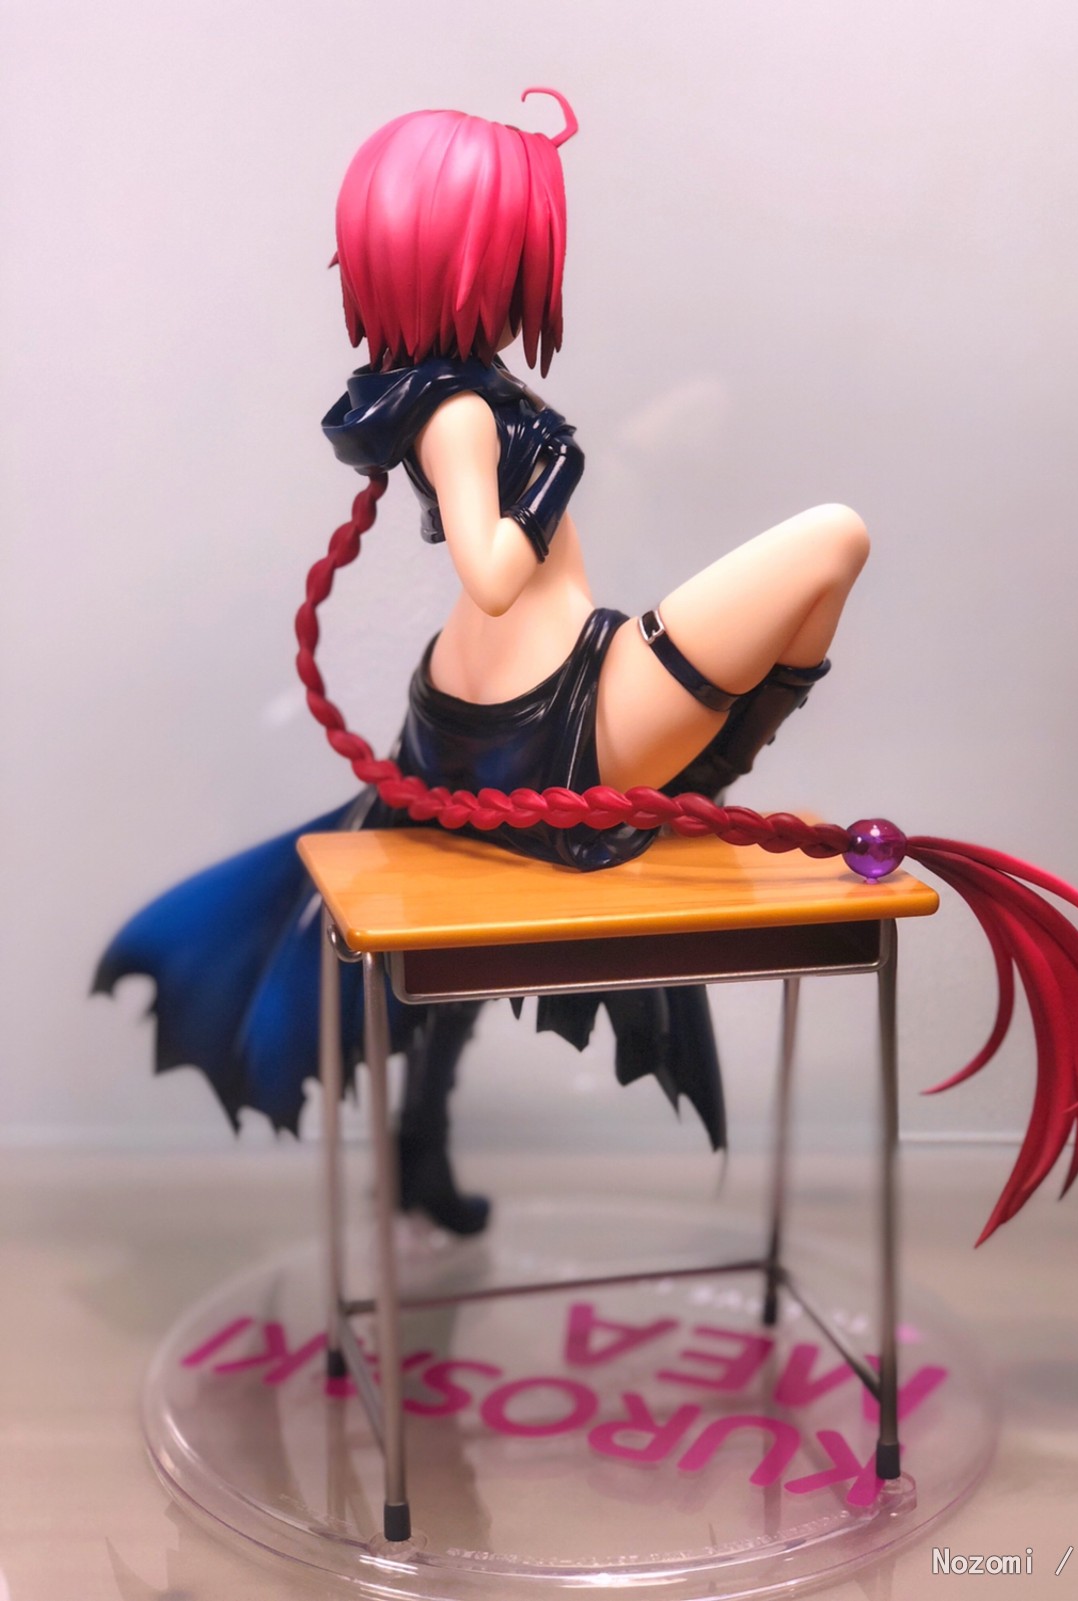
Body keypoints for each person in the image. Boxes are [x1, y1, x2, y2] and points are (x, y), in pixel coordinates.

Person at [97, 91, 868, 1236]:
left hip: (493, 707)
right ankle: (704, 775)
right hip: (554, 719)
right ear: (473, 254)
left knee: (453, 949)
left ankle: (418, 1137)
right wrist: (554, 477)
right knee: (834, 538)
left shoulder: (456, 388)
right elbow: (493, 571)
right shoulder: (457, 412)